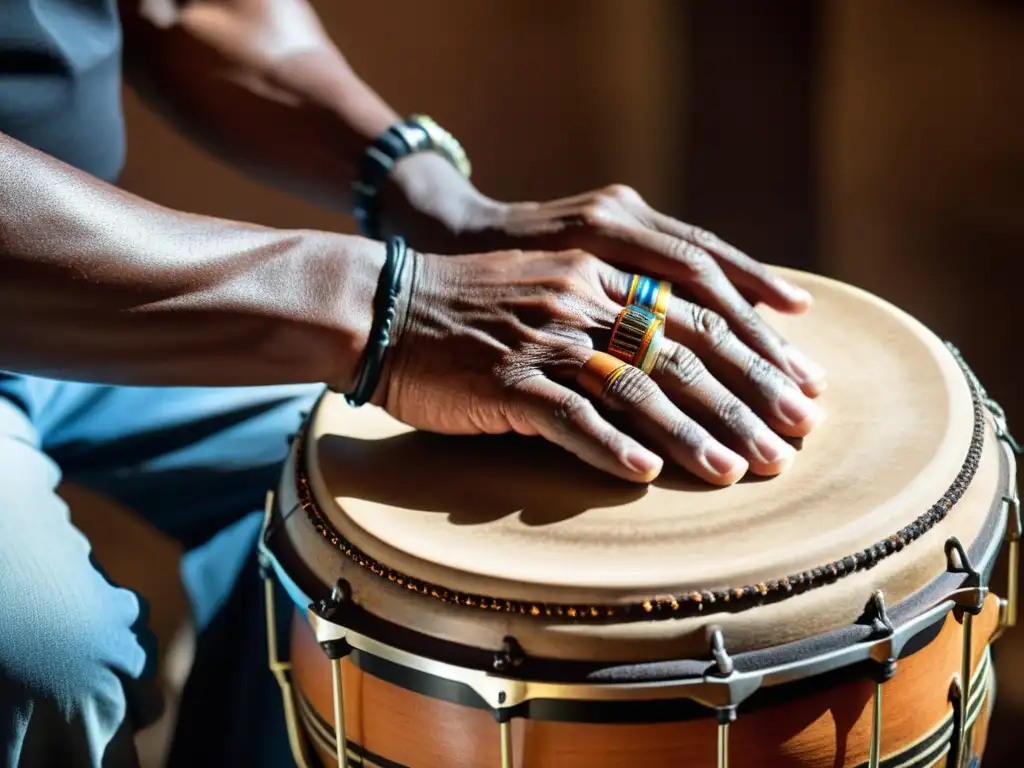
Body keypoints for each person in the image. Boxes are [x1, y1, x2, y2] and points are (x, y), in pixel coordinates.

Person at [0, 0, 827, 765]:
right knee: (52, 662)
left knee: (345, 525)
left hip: (99, 282)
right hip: (55, 290)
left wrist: (437, 201)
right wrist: (389, 306)